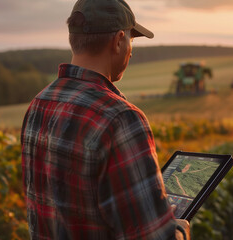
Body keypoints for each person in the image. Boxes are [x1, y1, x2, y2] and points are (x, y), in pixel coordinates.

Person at [21, 0, 190, 239]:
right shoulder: (121, 119)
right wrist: (180, 229)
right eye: (132, 40)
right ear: (118, 40)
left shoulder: (39, 103)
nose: (131, 50)